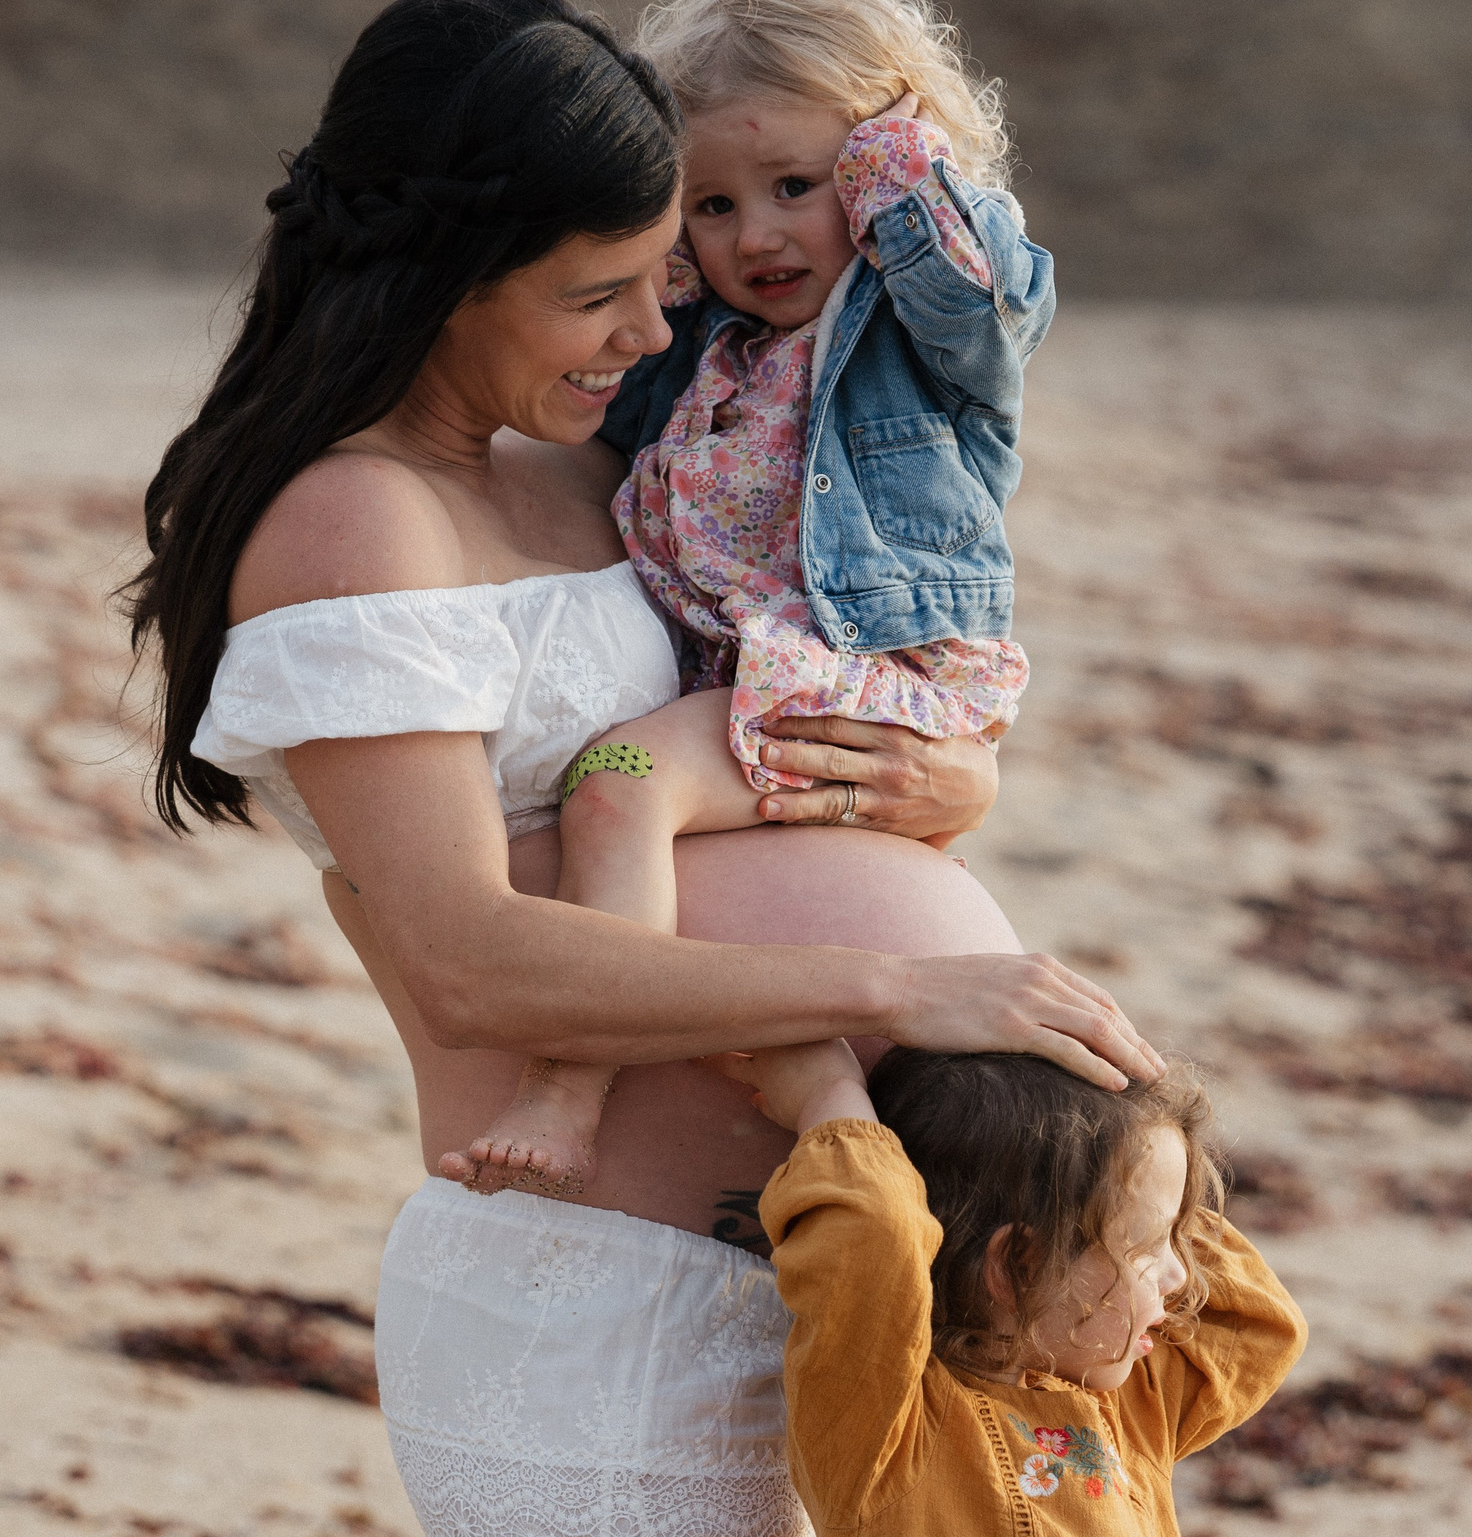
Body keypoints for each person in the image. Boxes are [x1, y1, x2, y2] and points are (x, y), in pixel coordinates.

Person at [124, 3, 1159, 1537]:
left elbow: (763, 704)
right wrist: (907, 986)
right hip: (593, 1285)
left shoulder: (574, 473)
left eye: (661, 271)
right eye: (602, 287)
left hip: (780, 1255)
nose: (657, 323)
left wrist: (942, 790)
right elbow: (459, 951)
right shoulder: (357, 521)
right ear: (453, 270)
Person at [448, 0, 1050, 1200]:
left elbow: (977, 289)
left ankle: (568, 1082)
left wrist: (891, 145)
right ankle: (814, 1076)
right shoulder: (704, 346)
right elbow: (593, 375)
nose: (757, 234)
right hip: (754, 685)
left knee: (619, 790)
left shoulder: (920, 343)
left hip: (860, 680)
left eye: (795, 184)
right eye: (713, 205)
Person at [712, 1041, 1308, 1537]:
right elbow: (876, 1238)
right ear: (1017, 1264)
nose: (1179, 1275)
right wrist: (830, 1096)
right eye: (1148, 1247)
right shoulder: (889, 1427)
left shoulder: (1130, 1411)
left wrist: (1117, 1087)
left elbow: (1261, 1324)